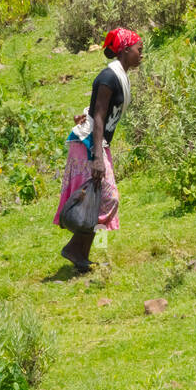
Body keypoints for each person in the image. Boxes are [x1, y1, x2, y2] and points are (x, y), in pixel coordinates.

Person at [55, 28, 144, 273]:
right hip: (88, 145)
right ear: (125, 50)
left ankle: (82, 254)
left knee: (98, 199)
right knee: (106, 197)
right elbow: (99, 115)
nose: (141, 55)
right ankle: (75, 248)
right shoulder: (108, 77)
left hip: (96, 143)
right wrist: (97, 158)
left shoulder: (119, 76)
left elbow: (96, 110)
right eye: (139, 50)